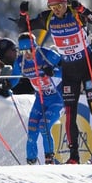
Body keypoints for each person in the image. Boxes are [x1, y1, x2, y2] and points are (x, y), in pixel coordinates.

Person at [29, 0, 92, 164]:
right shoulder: (48, 17)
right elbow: (27, 26)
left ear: (65, 2)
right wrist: (22, 16)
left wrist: (83, 10)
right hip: (69, 71)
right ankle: (74, 156)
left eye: (59, 5)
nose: (56, 10)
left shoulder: (76, 13)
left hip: (87, 67)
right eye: (52, 6)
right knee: (69, 113)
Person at [16, 31, 64, 165]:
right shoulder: (21, 62)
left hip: (57, 98)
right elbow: (13, 79)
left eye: (29, 50)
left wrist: (54, 71)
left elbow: (67, 69)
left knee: (44, 126)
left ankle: (49, 158)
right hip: (41, 98)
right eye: (23, 51)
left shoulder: (47, 54)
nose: (27, 54)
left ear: (35, 47)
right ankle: (31, 161)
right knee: (32, 129)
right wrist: (5, 85)